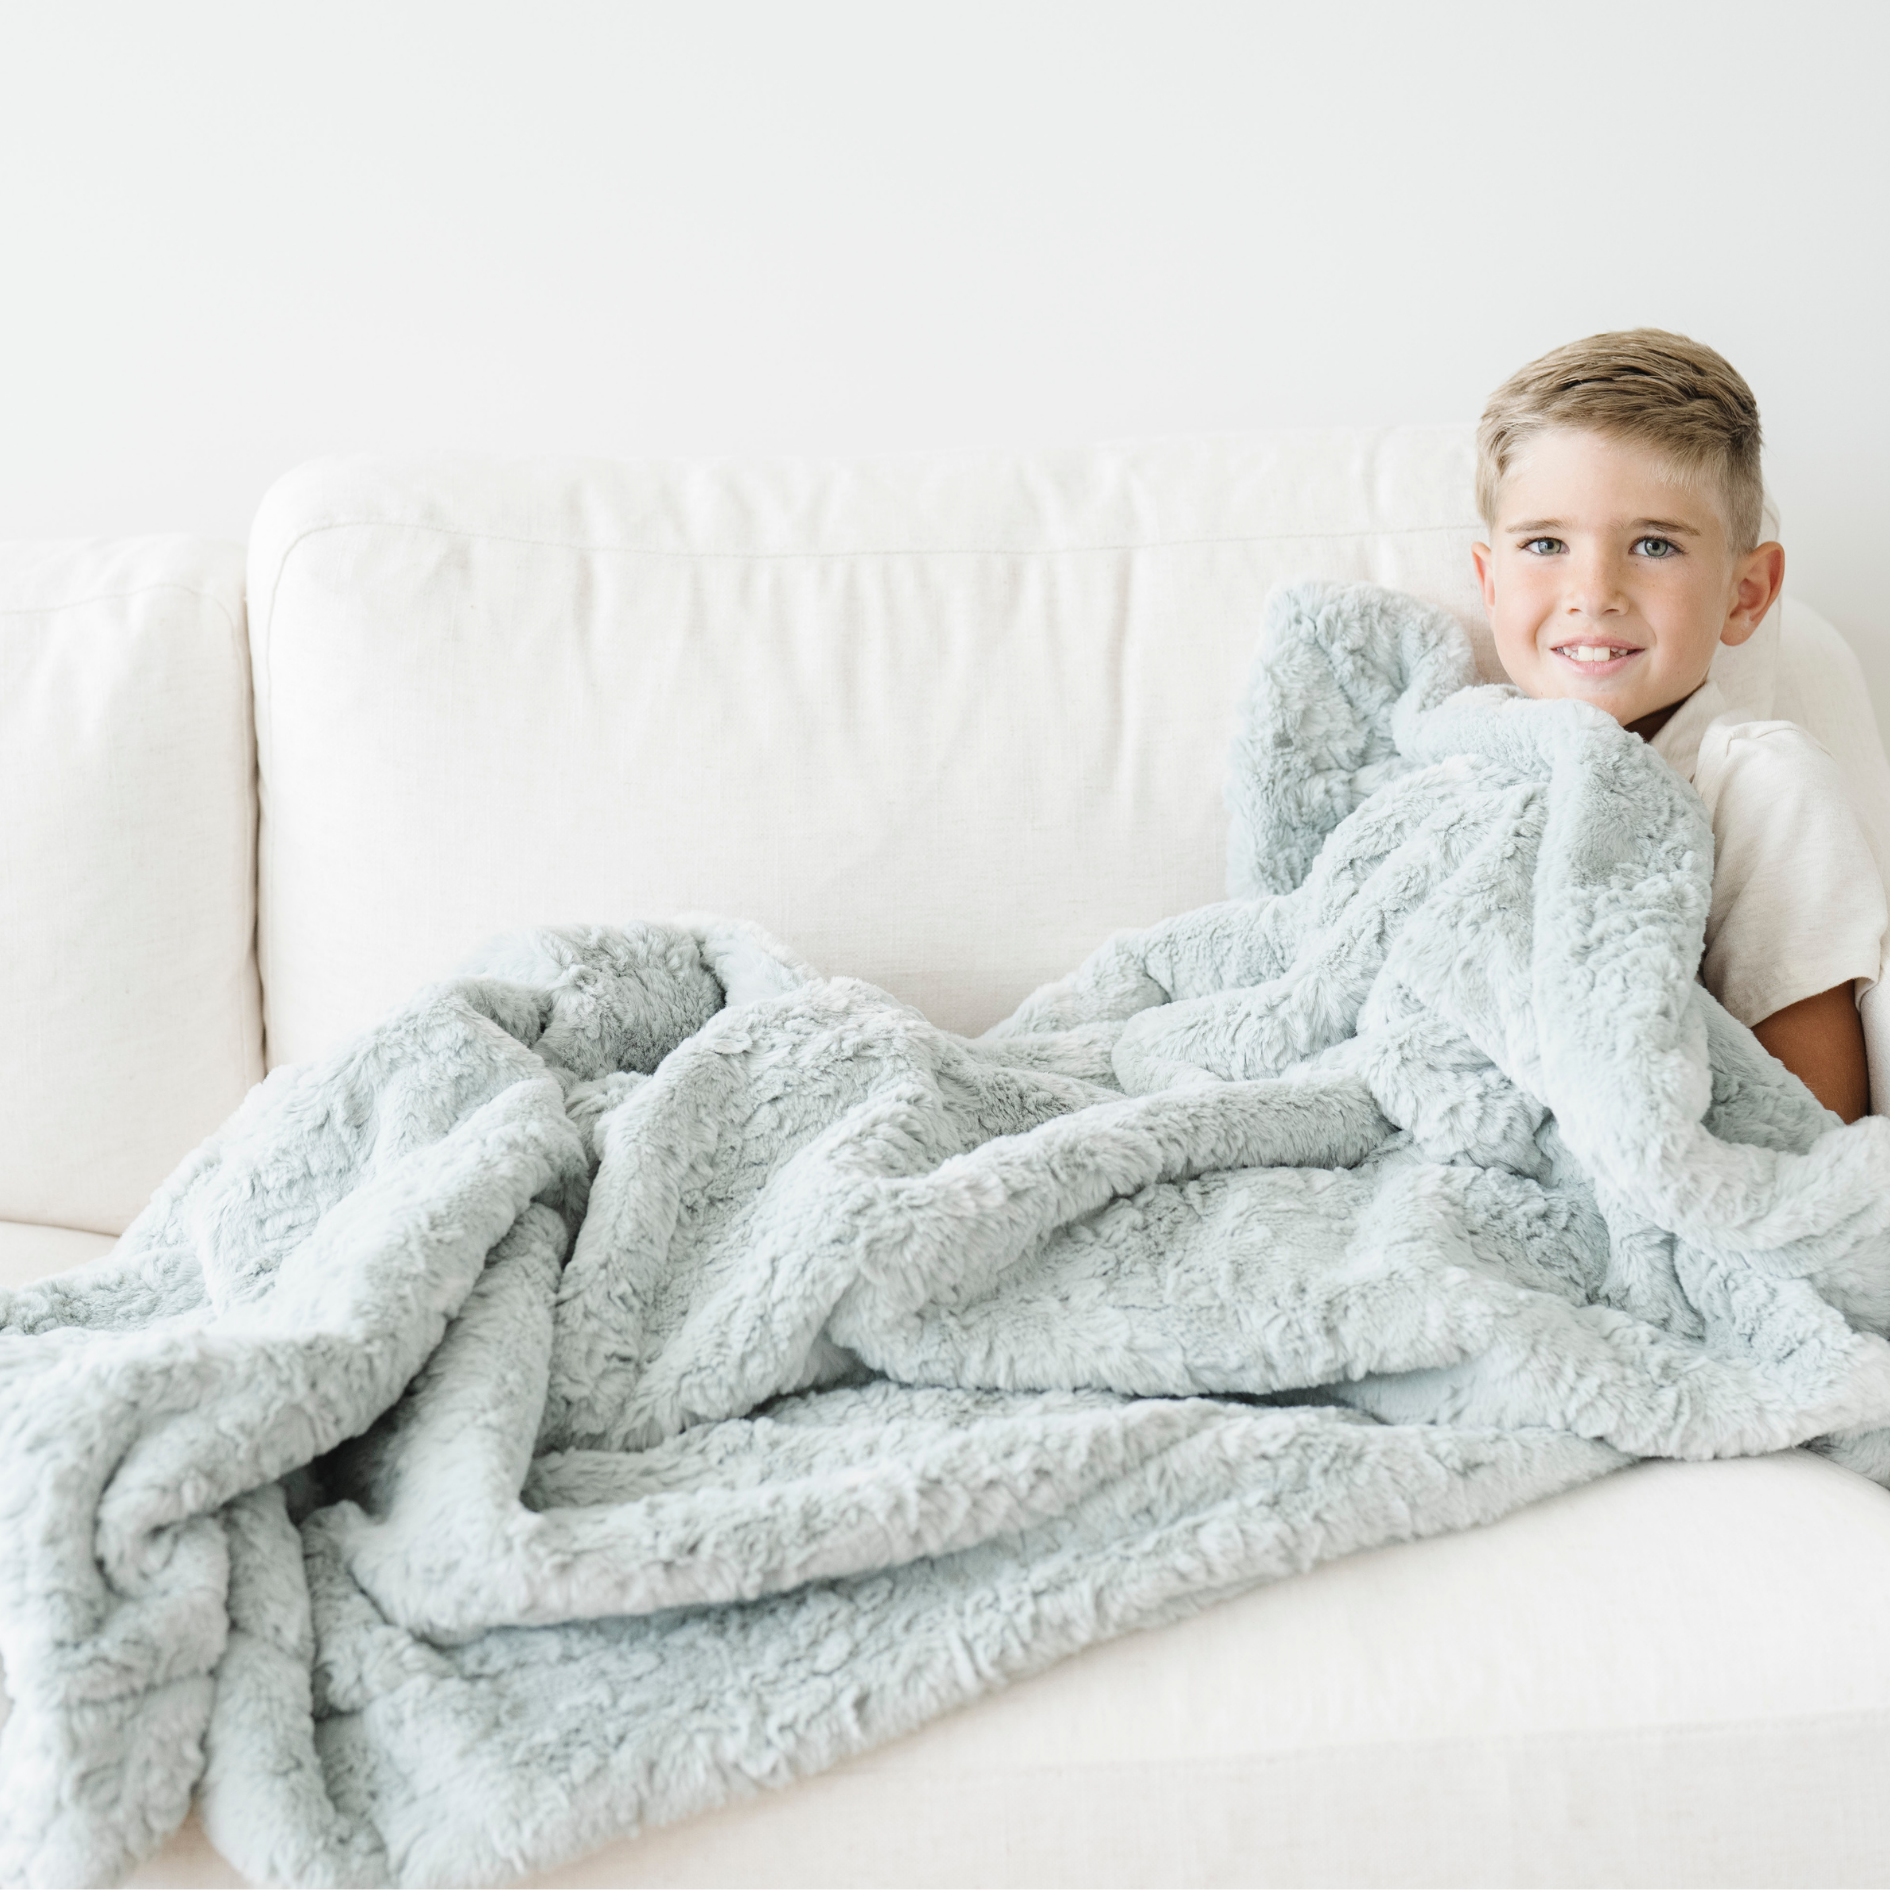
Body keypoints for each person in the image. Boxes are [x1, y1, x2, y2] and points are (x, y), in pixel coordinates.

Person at [1471, 328, 1883, 1122]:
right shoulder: (1470, 760)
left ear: (1747, 594)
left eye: (1654, 544)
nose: (1595, 592)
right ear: (1489, 583)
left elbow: (1811, 1123)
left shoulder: (1761, 785)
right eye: (1546, 543)